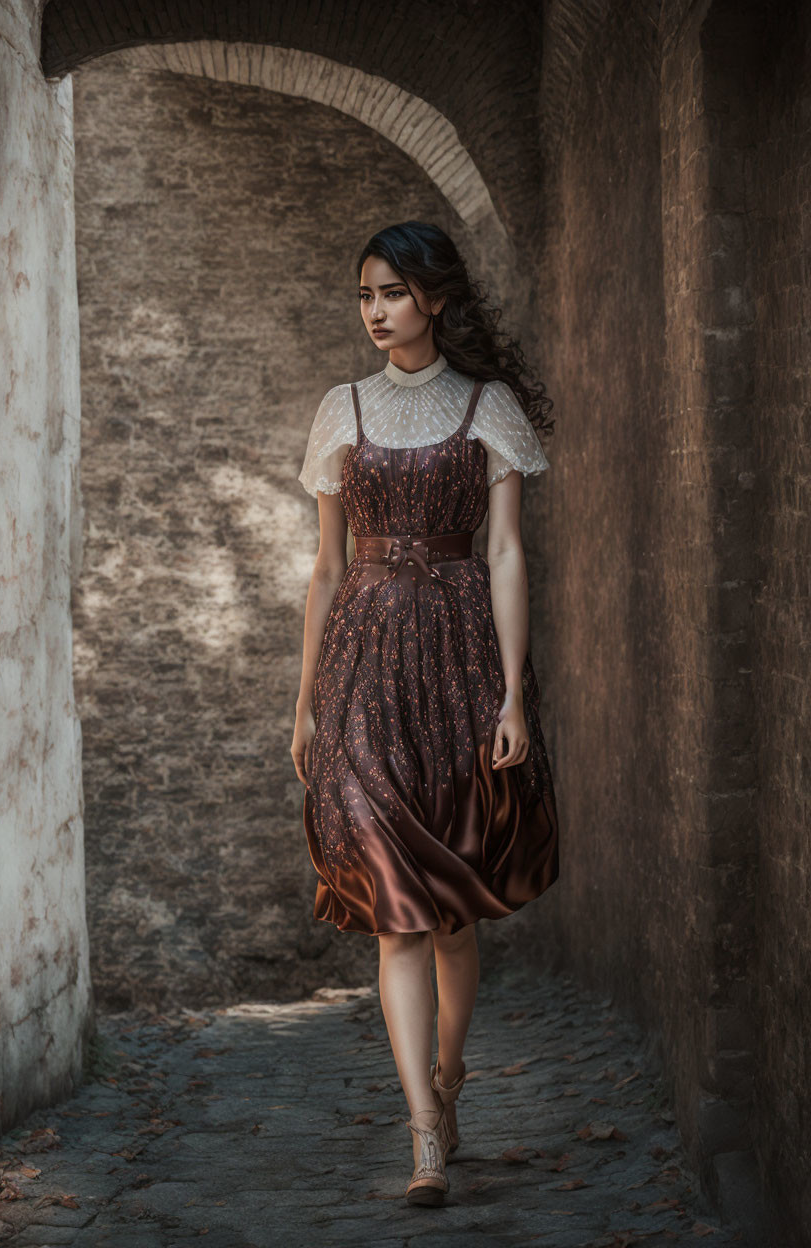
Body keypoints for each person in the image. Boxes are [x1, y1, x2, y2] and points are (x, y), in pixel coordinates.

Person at [291, 221, 559, 1206]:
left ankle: (450, 1081)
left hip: (456, 665)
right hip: (360, 669)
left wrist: (514, 692)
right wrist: (306, 702)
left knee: (448, 916)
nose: (375, 310)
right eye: (366, 294)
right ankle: (422, 1138)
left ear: (435, 300)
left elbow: (505, 556)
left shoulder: (486, 409)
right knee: (394, 919)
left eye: (394, 293)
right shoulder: (340, 409)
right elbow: (323, 568)